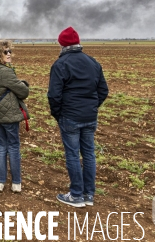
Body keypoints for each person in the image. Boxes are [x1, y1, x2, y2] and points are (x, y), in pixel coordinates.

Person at [48, 27, 108, 208]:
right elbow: (103, 90)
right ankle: (89, 194)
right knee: (89, 154)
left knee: (73, 155)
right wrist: (92, 107)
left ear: (62, 44)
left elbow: (53, 95)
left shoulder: (60, 64)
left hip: (70, 117)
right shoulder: (93, 62)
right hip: (89, 116)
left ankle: (76, 195)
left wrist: (58, 114)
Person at [0, 40, 30, 193]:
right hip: (9, 115)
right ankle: (16, 183)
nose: (9, 54)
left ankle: (0, 181)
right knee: (14, 147)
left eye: (9, 51)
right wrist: (23, 83)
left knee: (2, 146)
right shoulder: (5, 71)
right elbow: (23, 92)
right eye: (5, 52)